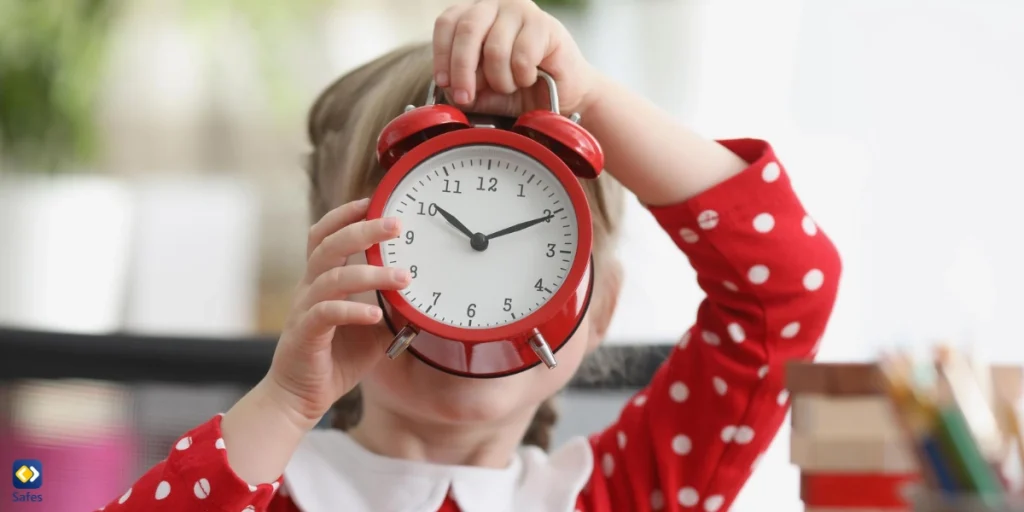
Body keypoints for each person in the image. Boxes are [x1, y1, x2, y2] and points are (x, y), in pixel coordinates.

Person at [95, 0, 841, 510]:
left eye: (532, 252)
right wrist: (285, 403)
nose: (466, 299)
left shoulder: (622, 491)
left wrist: (591, 96)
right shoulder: (272, 490)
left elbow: (783, 286)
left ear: (598, 309)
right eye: (421, 244)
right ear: (331, 285)